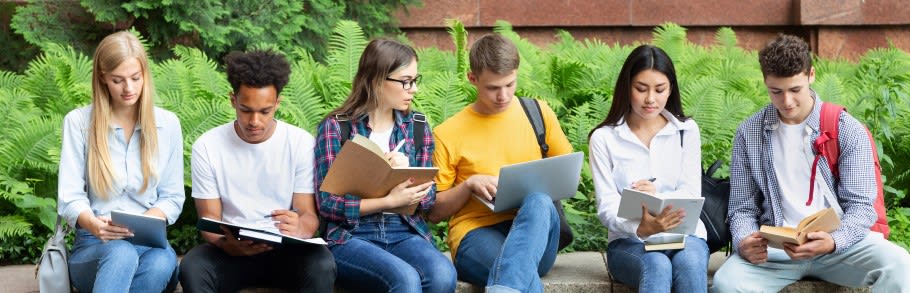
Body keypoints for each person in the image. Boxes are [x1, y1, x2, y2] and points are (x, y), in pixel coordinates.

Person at [711, 34, 910, 292]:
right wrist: (744, 241)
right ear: (765, 82)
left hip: (840, 247)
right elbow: (742, 208)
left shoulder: (846, 129)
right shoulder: (749, 133)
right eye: (776, 92)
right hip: (775, 253)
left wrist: (834, 241)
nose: (787, 102)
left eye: (795, 90)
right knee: (726, 283)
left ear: (811, 75)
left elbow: (861, 208)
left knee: (899, 265)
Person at [178, 50, 335, 293]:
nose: (254, 121)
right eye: (246, 110)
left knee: (322, 264)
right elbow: (209, 220)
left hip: (285, 251)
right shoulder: (207, 146)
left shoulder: (300, 143)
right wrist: (226, 244)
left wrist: (299, 227)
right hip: (231, 251)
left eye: (265, 111)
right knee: (193, 266)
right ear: (233, 100)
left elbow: (307, 215)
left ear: (278, 103)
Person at [427, 33, 574, 293]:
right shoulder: (448, 133)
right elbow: (434, 212)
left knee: (539, 201)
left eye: (510, 84)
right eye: (493, 88)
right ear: (472, 79)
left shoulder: (538, 114)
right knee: (516, 272)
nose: (503, 96)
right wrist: (469, 185)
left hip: (536, 232)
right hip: (476, 233)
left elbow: (567, 175)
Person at [314, 38, 456, 293]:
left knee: (443, 275)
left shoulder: (416, 127)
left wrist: (408, 173)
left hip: (404, 230)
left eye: (415, 80)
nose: (414, 89)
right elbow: (327, 204)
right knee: (406, 279)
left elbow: (428, 201)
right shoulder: (337, 127)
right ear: (377, 80)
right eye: (406, 81)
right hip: (352, 235)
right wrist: (388, 201)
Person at [57, 31, 184, 293]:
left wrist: (141, 225)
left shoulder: (167, 124)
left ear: (145, 74)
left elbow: (172, 197)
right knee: (121, 253)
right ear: (102, 78)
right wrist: (94, 224)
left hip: (149, 244)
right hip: (95, 244)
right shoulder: (79, 123)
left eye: (135, 78)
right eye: (118, 80)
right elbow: (69, 197)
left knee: (161, 262)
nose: (129, 88)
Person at [587, 44, 709, 292]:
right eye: (641, 89)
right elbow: (607, 206)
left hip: (685, 236)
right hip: (629, 242)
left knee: (690, 262)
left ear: (670, 89)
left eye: (659, 89)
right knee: (656, 264)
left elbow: (691, 193)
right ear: (626, 87)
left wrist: (657, 196)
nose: (650, 99)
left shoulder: (685, 131)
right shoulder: (604, 138)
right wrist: (640, 227)